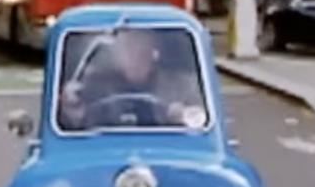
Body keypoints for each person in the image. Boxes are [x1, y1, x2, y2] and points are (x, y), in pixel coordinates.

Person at [58, 27, 205, 131]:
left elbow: (201, 120)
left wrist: (182, 115)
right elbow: (72, 128)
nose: (133, 51)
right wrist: (70, 108)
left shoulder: (182, 85)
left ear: (154, 49)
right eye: (126, 44)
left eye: (140, 43)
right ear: (116, 51)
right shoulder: (93, 84)